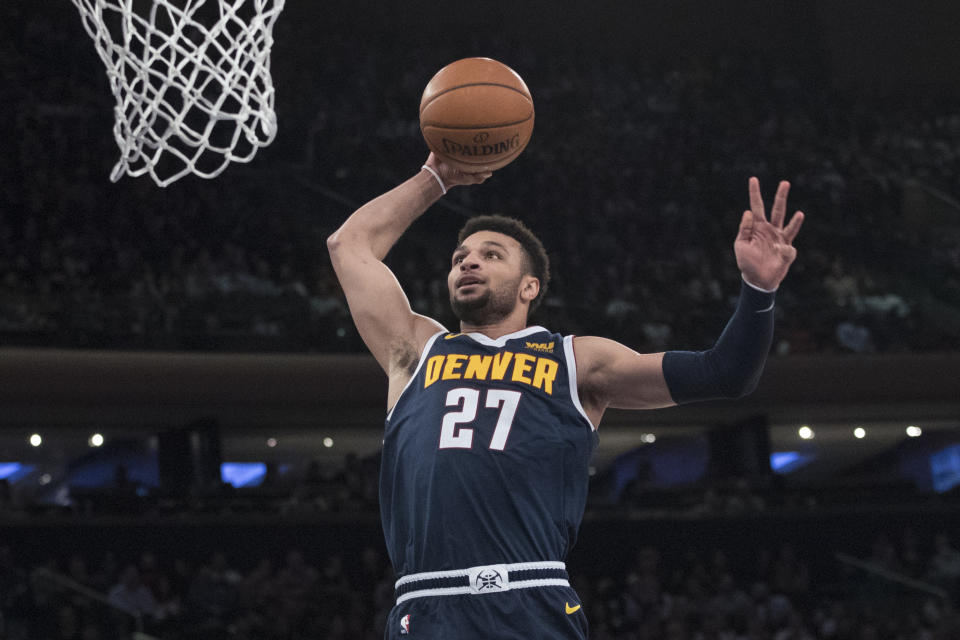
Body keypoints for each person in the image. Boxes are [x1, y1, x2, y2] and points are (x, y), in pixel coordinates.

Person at [327, 153, 804, 639]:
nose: (468, 261)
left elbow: (724, 374)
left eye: (491, 254)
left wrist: (757, 290)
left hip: (531, 598)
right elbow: (349, 245)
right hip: (425, 606)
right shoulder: (416, 349)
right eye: (459, 258)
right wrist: (437, 178)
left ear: (529, 286)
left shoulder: (576, 361)